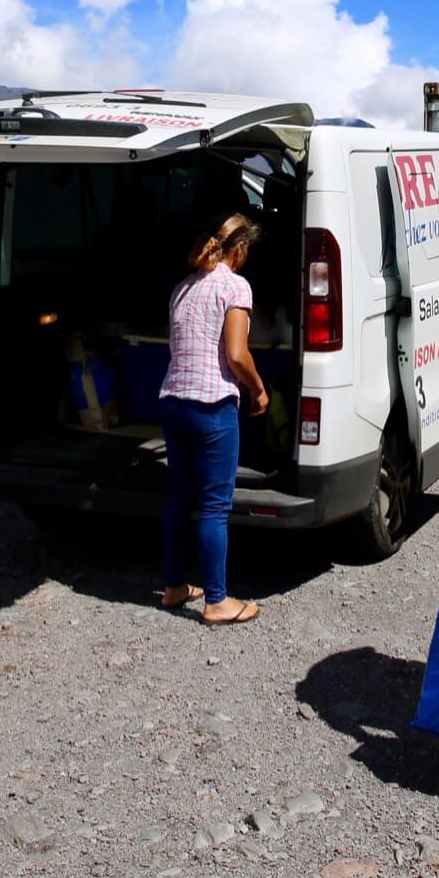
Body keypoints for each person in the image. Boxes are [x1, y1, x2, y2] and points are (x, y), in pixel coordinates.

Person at [158, 212, 268, 625]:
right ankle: (217, 600)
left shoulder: (182, 288)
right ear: (238, 250)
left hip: (173, 400)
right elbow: (237, 355)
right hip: (211, 406)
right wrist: (258, 390)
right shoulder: (235, 286)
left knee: (179, 499)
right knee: (215, 507)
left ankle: (174, 587)